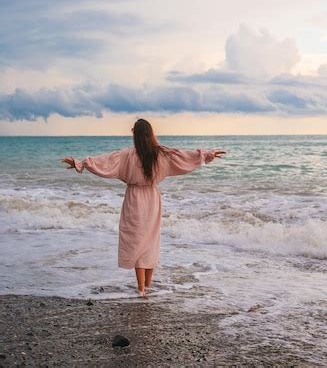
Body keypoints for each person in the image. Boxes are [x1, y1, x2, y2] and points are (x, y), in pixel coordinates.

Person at [60, 118, 226, 296]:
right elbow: (186, 157)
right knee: (150, 242)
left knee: (137, 240)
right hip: (152, 199)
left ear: (135, 134)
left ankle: (141, 289)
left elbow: (105, 162)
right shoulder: (162, 154)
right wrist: (207, 155)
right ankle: (147, 286)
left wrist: (81, 163)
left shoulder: (127, 155)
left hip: (134, 198)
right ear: (151, 134)